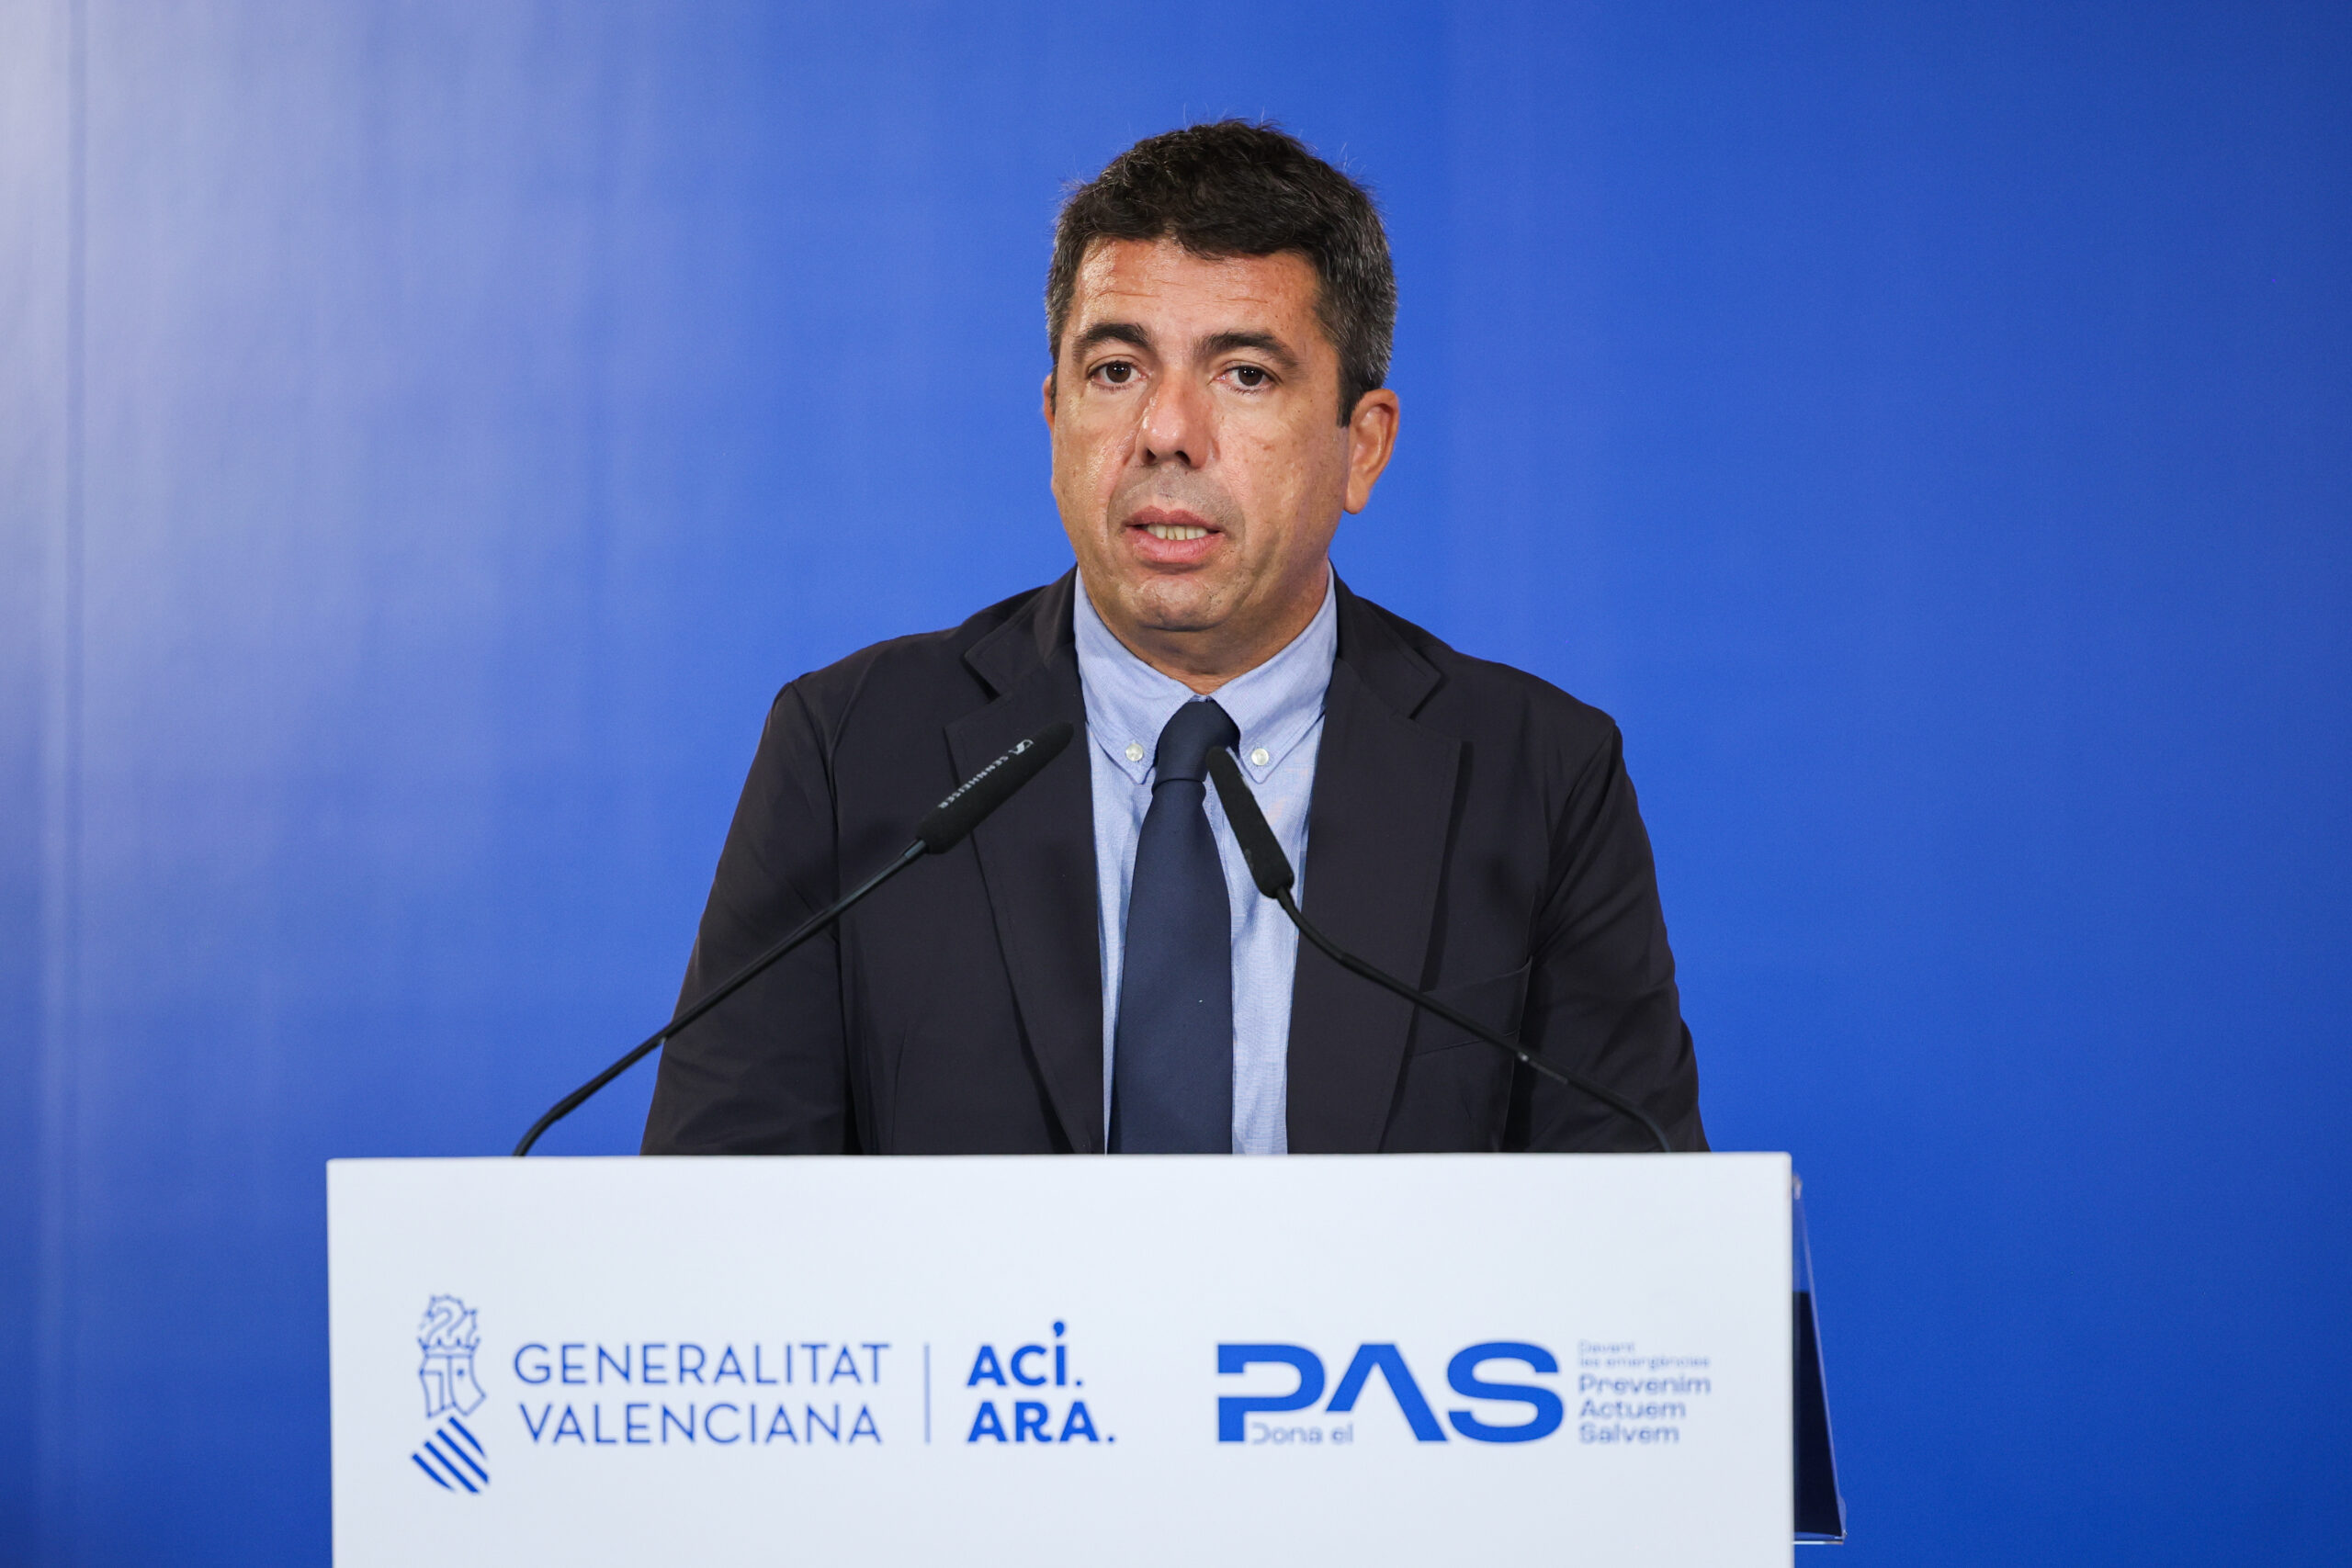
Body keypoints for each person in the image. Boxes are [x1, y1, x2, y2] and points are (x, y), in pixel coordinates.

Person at [640, 121, 1705, 1156]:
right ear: (1055, 418)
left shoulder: (1539, 778)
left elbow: (1634, 1229)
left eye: (1245, 374)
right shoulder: (851, 754)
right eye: (1117, 370)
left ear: (1362, 447)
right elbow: (715, 1212)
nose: (1165, 433)